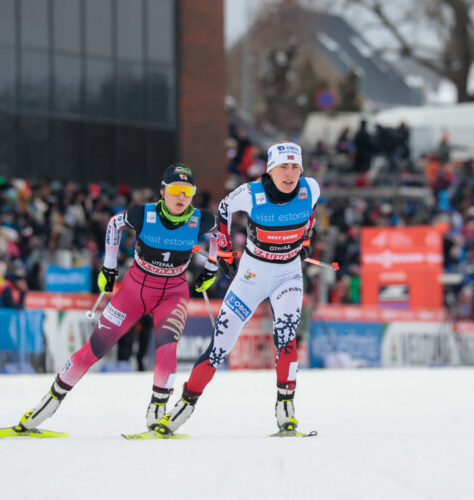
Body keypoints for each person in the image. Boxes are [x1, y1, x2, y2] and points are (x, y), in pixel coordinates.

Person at [17, 164, 219, 431]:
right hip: (135, 290)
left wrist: (213, 266)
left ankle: (157, 413)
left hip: (173, 292)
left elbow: (220, 232)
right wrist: (109, 267)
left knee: (167, 348)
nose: (181, 197)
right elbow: (114, 224)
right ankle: (49, 403)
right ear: (163, 191)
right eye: (175, 190)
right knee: (95, 348)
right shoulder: (143, 214)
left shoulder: (200, 220)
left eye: (187, 191)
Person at [155, 142, 321, 435]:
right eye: (283, 166)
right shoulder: (250, 193)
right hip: (252, 275)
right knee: (220, 347)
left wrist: (306, 241)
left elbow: (311, 217)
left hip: (288, 275)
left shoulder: (311, 189)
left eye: (295, 167)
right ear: (270, 169)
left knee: (287, 337)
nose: (290, 173)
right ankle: (183, 406)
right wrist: (226, 251)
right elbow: (223, 209)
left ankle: (286, 409)